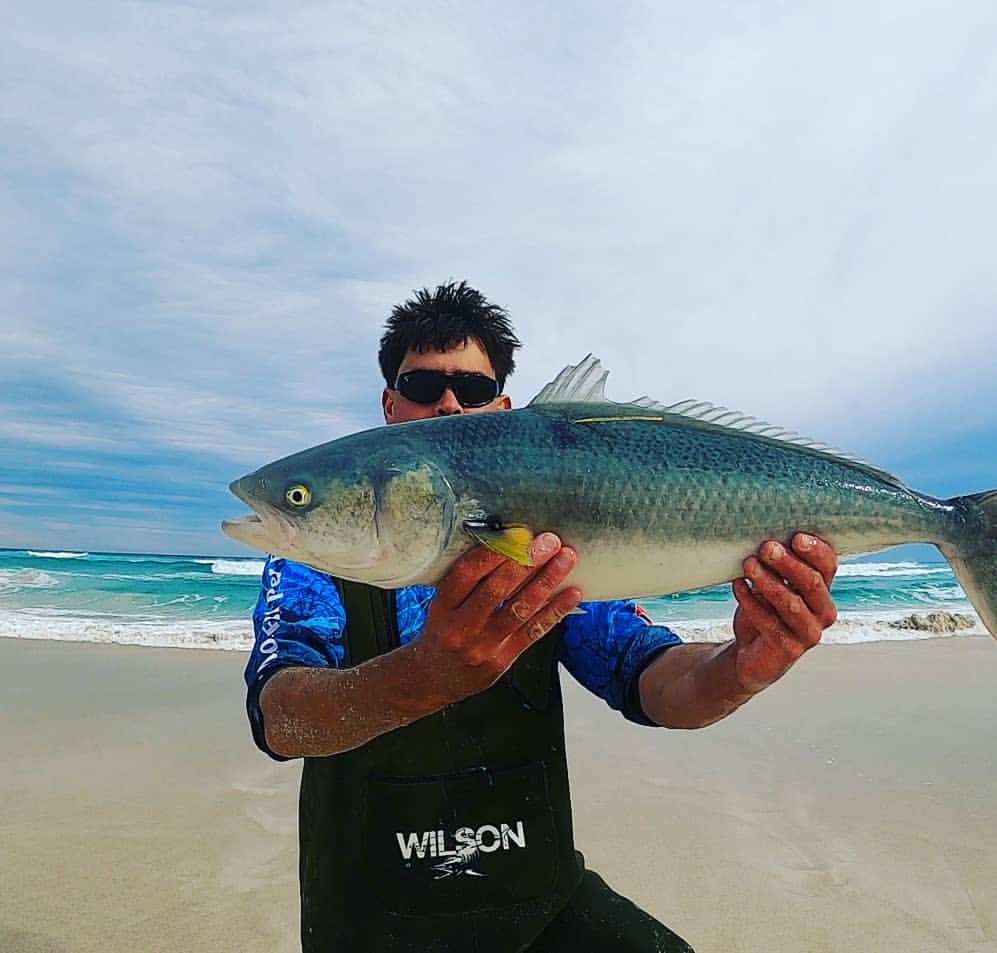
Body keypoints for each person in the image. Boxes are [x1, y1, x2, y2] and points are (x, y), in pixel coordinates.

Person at [243, 281, 839, 953]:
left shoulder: (543, 537)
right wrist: (425, 674)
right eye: (421, 383)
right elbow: (282, 717)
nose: (447, 402)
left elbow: (650, 678)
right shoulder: (320, 562)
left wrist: (741, 668)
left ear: (503, 408)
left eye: (472, 389)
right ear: (389, 403)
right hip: (370, 927)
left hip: (540, 905)